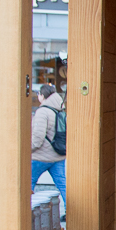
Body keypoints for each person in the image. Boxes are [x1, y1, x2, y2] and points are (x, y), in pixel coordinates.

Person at [31, 84, 67, 217]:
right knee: (63, 185)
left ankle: (25, 211)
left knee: (28, 183)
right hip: (58, 156)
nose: (38, 96)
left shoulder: (42, 112)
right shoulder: (59, 110)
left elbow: (37, 138)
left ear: (43, 95)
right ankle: (70, 211)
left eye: (39, 94)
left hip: (40, 157)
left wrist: (28, 150)